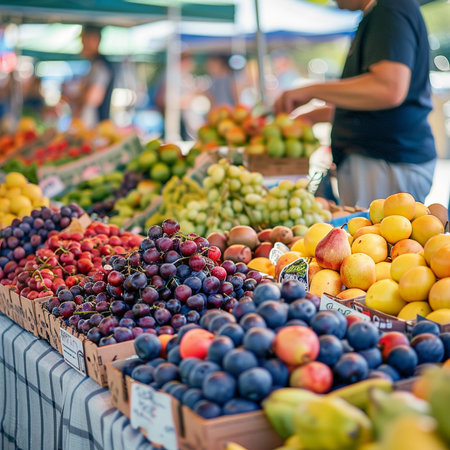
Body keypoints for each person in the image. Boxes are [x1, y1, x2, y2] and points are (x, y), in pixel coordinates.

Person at [274, 0, 437, 208]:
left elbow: (388, 88)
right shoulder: (382, 11)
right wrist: (313, 115)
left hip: (386, 159)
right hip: (384, 160)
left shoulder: (390, 8)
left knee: (374, 237)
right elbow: (370, 101)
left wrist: (311, 90)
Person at [65, 25, 114, 128]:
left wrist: (71, 97)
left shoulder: (100, 66)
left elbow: (93, 97)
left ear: (95, 40)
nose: (81, 44)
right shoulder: (94, 65)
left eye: (83, 40)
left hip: (95, 127)